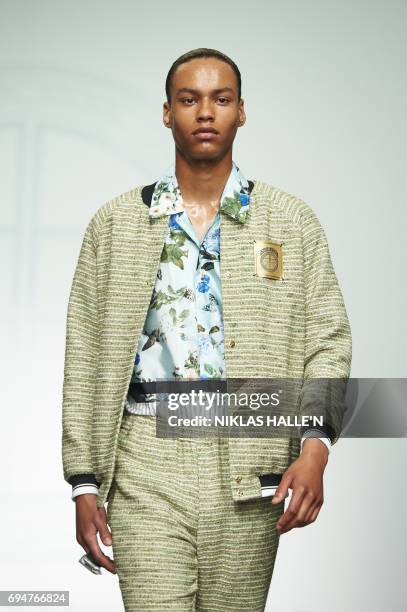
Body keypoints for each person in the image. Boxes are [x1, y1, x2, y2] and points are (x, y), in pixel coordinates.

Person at [62, 48, 352, 611]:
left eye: (220, 99)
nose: (204, 112)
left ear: (241, 112)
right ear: (166, 113)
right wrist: (85, 481)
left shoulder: (290, 222)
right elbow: (85, 352)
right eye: (188, 99)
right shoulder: (117, 223)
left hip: (251, 463)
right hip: (144, 462)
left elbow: (328, 341)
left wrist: (315, 447)